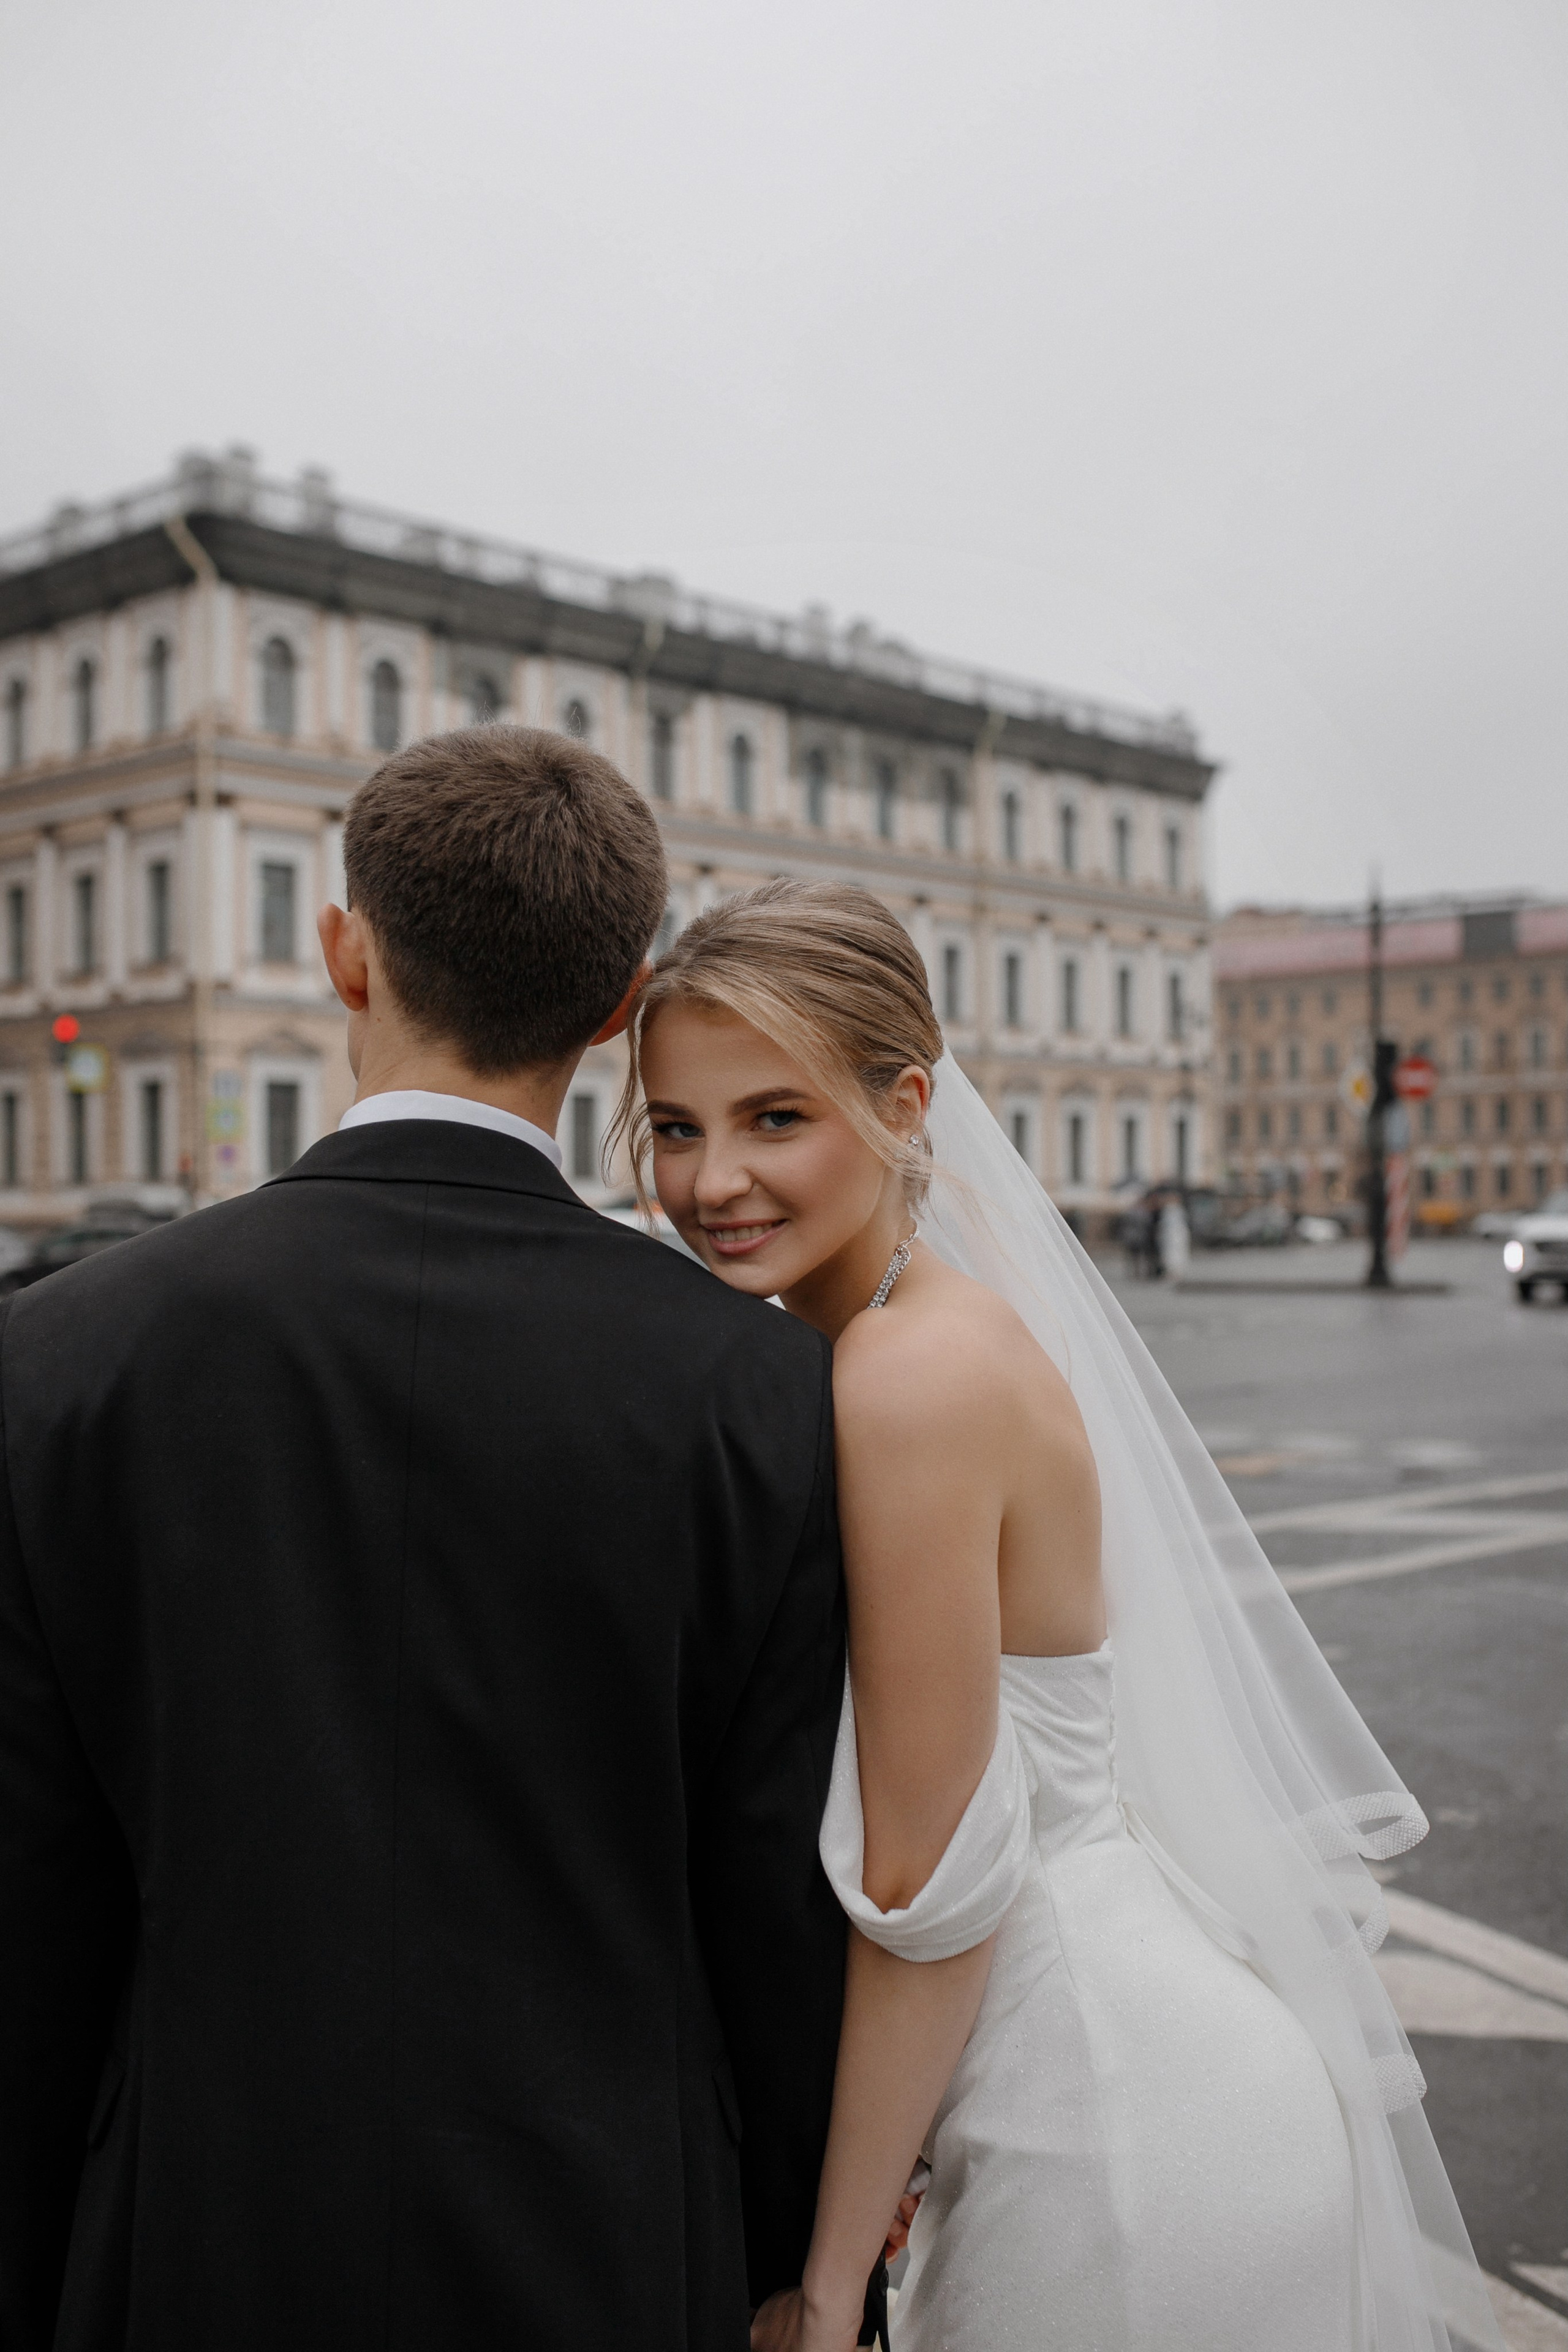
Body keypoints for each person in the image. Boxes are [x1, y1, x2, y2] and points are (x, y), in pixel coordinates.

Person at [0, 729, 847, 2351]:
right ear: (619, 1006)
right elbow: (780, 1917)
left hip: (188, 2240)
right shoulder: (759, 1390)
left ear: (343, 952)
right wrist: (789, 2269)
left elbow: (28, 1914)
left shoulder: (58, 1357)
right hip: (613, 2242)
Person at [619, 878, 1505, 2352]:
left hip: (1097, 2124)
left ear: (905, 1104)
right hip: (1120, 2074)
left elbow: (937, 1892)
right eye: (675, 1126)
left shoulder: (901, 1380)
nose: (713, 1181)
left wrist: (830, 2285)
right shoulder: (939, 1316)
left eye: (776, 1118)